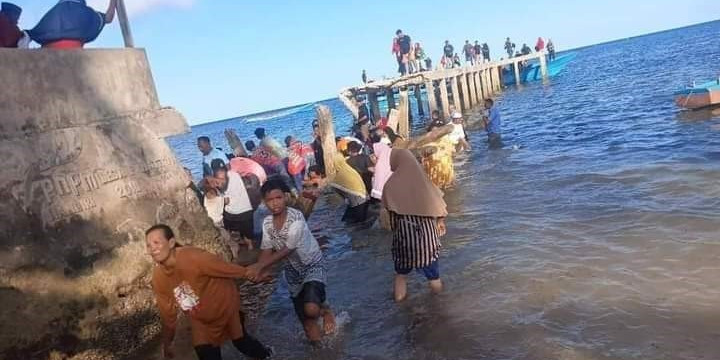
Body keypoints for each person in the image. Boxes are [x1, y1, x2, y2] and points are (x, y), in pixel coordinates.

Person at [146, 224, 273, 360]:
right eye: (148, 245)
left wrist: (251, 274)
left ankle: (268, 355)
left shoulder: (194, 257)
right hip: (201, 319)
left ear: (171, 243)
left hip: (226, 307)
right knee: (205, 353)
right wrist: (167, 344)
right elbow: (168, 316)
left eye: (156, 242)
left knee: (241, 343)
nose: (152, 248)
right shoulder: (159, 278)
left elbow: (225, 268)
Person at [245, 179, 336, 344]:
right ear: (264, 203)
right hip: (292, 272)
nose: (275, 203)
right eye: (270, 200)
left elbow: (288, 248)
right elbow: (266, 250)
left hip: (312, 265)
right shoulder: (267, 223)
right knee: (309, 330)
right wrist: (261, 272)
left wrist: (259, 266)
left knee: (311, 308)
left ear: (285, 197)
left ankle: (326, 310)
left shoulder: (296, 218)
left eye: (278, 198)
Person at [382, 149, 447, 302]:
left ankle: (400, 306)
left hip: (404, 238)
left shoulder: (390, 185)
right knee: (433, 277)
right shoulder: (424, 181)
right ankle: (440, 307)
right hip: (427, 239)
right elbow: (439, 207)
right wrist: (440, 222)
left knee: (401, 275)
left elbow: (388, 217)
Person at [28, 0, 117, 49]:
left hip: (47, 60)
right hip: (74, 59)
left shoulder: (52, 13)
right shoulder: (86, 12)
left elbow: (31, 34)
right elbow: (108, 18)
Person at [213, 159, 255, 251]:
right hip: (247, 209)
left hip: (233, 213)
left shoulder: (220, 181)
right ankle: (250, 246)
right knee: (247, 234)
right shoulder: (234, 174)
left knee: (227, 227)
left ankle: (235, 245)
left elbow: (226, 201)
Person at [329, 154, 369, 223]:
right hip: (364, 199)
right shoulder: (348, 169)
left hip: (358, 203)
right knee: (347, 220)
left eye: (333, 163)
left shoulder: (341, 174)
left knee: (355, 224)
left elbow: (332, 186)